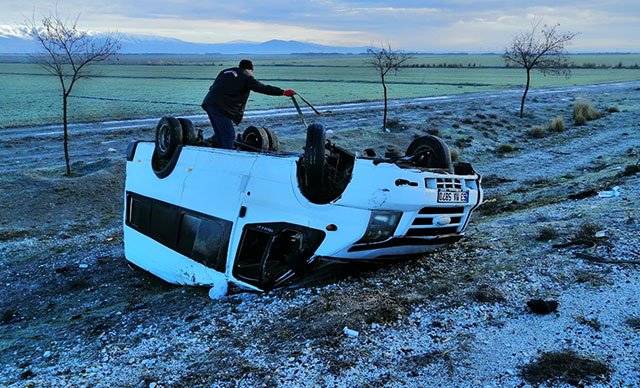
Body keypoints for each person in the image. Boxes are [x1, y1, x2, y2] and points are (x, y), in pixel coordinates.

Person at [201, 59, 295, 149]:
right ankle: (227, 158)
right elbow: (263, 88)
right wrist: (283, 92)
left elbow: (212, 87)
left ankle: (218, 154)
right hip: (221, 108)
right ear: (250, 70)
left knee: (220, 134)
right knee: (229, 135)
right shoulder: (246, 77)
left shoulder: (225, 72)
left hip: (209, 104)